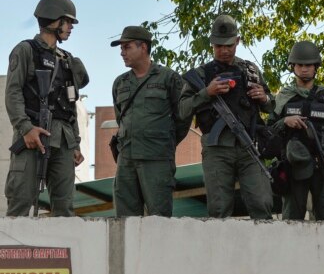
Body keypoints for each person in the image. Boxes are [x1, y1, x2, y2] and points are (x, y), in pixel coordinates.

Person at [179, 14, 274, 219]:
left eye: (229, 45)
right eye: (218, 45)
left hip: (249, 147)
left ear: (237, 41)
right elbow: (182, 110)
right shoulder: (201, 75)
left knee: (262, 204)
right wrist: (207, 93)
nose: (223, 50)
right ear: (211, 44)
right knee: (219, 209)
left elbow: (272, 107)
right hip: (217, 151)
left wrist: (264, 98)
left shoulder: (250, 70)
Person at [4, 0, 89, 216]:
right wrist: (26, 128)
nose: (70, 27)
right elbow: (12, 92)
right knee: (21, 203)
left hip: (63, 141)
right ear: (53, 20)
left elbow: (71, 105)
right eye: (67, 21)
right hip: (33, 136)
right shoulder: (26, 50)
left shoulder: (68, 60)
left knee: (65, 208)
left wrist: (76, 143)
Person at [266, 41, 324, 220]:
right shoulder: (283, 98)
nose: (304, 69)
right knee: (291, 223)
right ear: (293, 67)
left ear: (316, 68)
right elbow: (267, 131)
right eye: (300, 65)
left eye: (308, 65)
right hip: (293, 166)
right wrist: (285, 121)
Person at [110, 26, 191, 217]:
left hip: (157, 160)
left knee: (159, 219)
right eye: (121, 48)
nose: (122, 53)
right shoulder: (120, 83)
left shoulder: (169, 78)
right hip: (126, 160)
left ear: (143, 47)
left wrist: (164, 142)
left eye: (127, 47)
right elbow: (120, 118)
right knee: (124, 219)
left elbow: (183, 117)